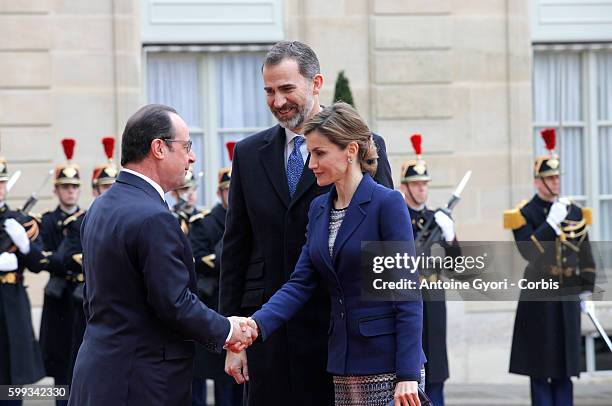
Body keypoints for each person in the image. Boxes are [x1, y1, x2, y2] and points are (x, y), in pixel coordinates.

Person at [220, 40, 393, 406]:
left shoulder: (363, 145)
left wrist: (390, 345)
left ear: (316, 84)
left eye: (286, 89)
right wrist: (233, 339)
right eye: (269, 91)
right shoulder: (249, 154)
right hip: (269, 335)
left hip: (340, 336)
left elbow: (386, 258)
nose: (277, 101)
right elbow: (235, 250)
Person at [68, 104, 257, 406]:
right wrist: (230, 329)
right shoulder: (155, 218)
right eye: (186, 146)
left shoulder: (100, 207)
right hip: (142, 382)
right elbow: (174, 303)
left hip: (98, 373)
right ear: (158, 148)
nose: (192, 157)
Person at [247, 102, 425, 406]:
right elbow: (300, 283)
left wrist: (407, 372)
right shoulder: (319, 209)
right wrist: (255, 324)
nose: (311, 163)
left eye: (319, 154)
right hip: (343, 364)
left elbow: (406, 293)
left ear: (350, 150)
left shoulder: (388, 204)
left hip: (389, 367)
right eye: (310, 154)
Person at [504, 128, 596, 406]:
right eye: (550, 178)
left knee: (565, 374)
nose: (555, 184)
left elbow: (585, 255)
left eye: (557, 178)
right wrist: (550, 224)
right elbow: (528, 252)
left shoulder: (574, 212)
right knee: (540, 373)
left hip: (566, 299)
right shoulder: (523, 214)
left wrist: (587, 291)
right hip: (539, 302)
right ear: (537, 182)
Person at [398, 134, 460, 406]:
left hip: (434, 300)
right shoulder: (397, 217)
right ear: (405, 187)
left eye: (424, 184)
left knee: (436, 373)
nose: (422, 190)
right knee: (411, 375)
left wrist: (450, 236)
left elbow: (457, 266)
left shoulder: (438, 217)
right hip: (409, 299)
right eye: (416, 184)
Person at [187, 142, 242, 406]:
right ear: (220, 193)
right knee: (218, 374)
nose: (233, 195)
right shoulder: (205, 222)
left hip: (241, 305)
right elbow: (206, 261)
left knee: (241, 379)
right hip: (213, 306)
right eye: (228, 191)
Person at [63, 137, 119, 384]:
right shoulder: (81, 221)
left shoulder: (128, 220)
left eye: (113, 186)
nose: (109, 192)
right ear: (94, 190)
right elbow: (67, 257)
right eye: (104, 187)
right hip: (85, 300)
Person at [38, 138, 82, 405]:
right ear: (56, 191)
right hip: (58, 296)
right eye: (65, 187)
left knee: (80, 362)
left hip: (80, 297)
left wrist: (61, 259)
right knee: (58, 365)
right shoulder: (47, 221)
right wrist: (63, 258)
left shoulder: (87, 219)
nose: (70, 192)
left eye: (75, 187)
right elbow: (45, 258)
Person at [0, 156, 46, 406]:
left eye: (1, 183)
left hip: (13, 301)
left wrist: (25, 245)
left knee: (13, 375)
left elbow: (39, 265)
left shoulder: (18, 221)